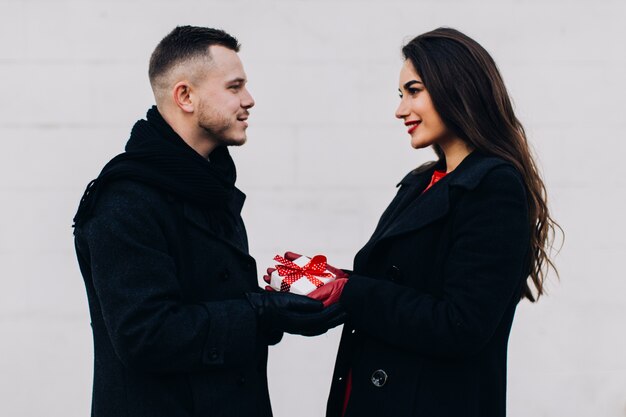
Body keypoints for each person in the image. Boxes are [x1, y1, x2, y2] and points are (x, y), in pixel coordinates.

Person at [72, 25, 344, 417]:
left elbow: (210, 301)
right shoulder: (124, 200)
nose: (249, 100)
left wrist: (284, 301)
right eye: (234, 87)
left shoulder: (207, 185)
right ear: (185, 95)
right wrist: (263, 312)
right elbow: (144, 335)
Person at [315, 28, 561, 417]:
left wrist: (351, 292)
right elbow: (399, 285)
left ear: (455, 87)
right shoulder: (421, 182)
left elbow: (461, 324)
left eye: (413, 91)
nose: (400, 110)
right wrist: (327, 279)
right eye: (401, 95)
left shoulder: (494, 186)